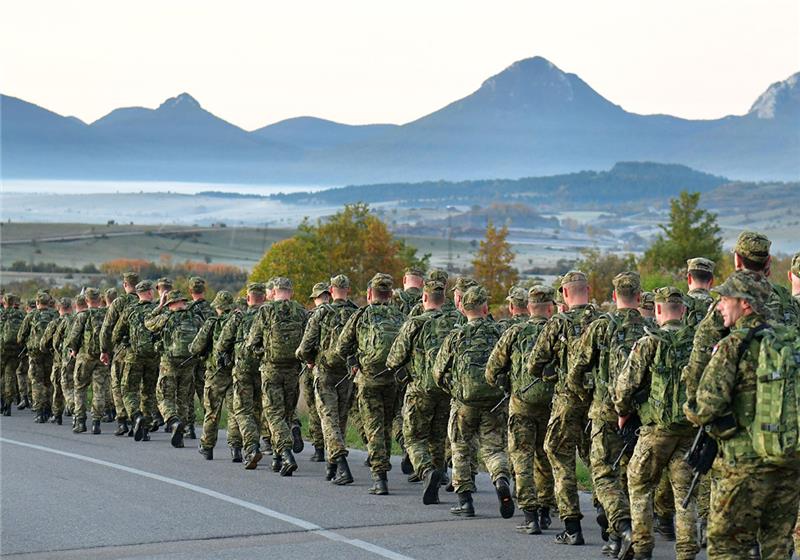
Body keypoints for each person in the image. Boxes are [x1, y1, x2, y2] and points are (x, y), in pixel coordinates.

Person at [684, 270, 799, 560]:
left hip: (744, 466)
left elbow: (704, 408)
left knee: (726, 545)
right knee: (778, 545)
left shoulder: (734, 345)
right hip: (788, 461)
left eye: (725, 298)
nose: (720, 305)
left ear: (745, 304)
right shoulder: (789, 343)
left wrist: (690, 404)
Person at [615, 287, 699, 560]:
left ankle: (642, 547)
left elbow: (625, 385)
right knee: (686, 494)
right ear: (683, 310)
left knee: (639, 484)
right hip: (689, 429)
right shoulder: (696, 342)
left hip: (655, 430)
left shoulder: (650, 342)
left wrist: (623, 412)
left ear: (658, 310)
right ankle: (686, 551)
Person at [569, 271, 646, 557]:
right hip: (639, 416)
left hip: (605, 412)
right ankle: (617, 538)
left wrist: (584, 396)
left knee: (603, 474)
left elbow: (577, 367)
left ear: (614, 297)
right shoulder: (650, 329)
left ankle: (623, 528)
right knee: (630, 476)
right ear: (639, 297)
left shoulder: (602, 326)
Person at [528, 270, 601, 545]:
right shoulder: (603, 321)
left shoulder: (558, 323)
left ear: (565, 294)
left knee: (559, 456)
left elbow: (534, 363)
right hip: (597, 401)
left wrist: (551, 373)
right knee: (597, 458)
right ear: (588, 289)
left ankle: (572, 525)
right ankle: (605, 509)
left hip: (567, 401)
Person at [433, 285, 513, 519]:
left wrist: (455, 389)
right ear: (486, 307)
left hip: (464, 403)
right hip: (494, 401)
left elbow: (438, 373)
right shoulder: (499, 333)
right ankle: (500, 480)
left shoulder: (456, 336)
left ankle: (465, 501)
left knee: (460, 448)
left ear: (463, 309)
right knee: (493, 449)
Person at [485, 285, 557, 534]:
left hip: (521, 405)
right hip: (552, 405)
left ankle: (530, 515)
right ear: (551, 307)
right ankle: (547, 511)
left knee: (522, 459)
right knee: (545, 457)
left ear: (528, 307)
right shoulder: (559, 331)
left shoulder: (515, 331)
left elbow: (492, 370)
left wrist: (505, 382)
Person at [387, 278, 458, 505]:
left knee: (414, 437)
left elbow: (394, 358)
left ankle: (427, 471)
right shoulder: (456, 321)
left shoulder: (415, 323)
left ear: (424, 298)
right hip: (447, 390)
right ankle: (437, 478)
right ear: (444, 299)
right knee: (438, 437)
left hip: (419, 389)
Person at [335, 273, 406, 495]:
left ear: (369, 294)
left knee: (373, 425)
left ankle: (380, 477)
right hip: (393, 379)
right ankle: (384, 462)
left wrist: (353, 362)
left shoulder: (361, 315)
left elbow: (341, 347)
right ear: (391, 294)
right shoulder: (400, 316)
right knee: (386, 423)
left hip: (369, 379)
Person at [297, 274, 360, 484]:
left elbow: (306, 346)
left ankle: (340, 464)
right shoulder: (356, 314)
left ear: (331, 291)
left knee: (328, 418)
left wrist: (308, 360)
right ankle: (331, 465)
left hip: (324, 372)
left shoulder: (322, 313)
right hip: (347, 373)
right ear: (347, 290)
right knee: (340, 418)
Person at [247, 277, 307, 476]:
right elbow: (308, 342)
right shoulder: (300, 311)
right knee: (287, 414)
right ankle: (277, 457)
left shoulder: (266, 311)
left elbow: (252, 342)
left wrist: (262, 354)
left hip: (271, 369)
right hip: (293, 370)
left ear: (275, 290)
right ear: (291, 291)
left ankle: (286, 453)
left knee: (273, 414)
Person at [145, 289, 203, 448]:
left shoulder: (165, 317)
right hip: (189, 363)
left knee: (164, 396)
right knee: (183, 398)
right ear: (183, 301)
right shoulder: (196, 319)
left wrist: (160, 304)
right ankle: (181, 431)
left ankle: (172, 420)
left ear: (170, 304)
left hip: (169, 362)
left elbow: (147, 322)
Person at [223, 282, 268, 468]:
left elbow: (222, 343)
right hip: (263, 368)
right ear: (264, 298)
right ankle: (256, 443)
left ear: (248, 298)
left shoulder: (238, 317)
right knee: (257, 409)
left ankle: (251, 447)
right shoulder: (268, 315)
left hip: (242, 369)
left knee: (242, 410)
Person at [192, 290, 241, 460]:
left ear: (218, 307)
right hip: (234, 372)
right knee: (234, 411)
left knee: (212, 411)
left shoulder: (212, 322)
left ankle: (207, 446)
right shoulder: (239, 320)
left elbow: (195, 347)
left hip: (215, 373)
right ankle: (235, 447)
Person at [115, 280, 160, 442]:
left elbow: (116, 333)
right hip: (153, 357)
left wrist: (122, 343)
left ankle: (136, 415)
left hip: (133, 356)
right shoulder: (157, 310)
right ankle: (146, 428)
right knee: (148, 392)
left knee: (128, 390)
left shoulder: (130, 311)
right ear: (148, 293)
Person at [100, 271, 141, 436]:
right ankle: (136, 419)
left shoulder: (118, 302)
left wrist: (104, 350)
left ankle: (122, 421)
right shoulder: (144, 302)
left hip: (121, 350)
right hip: (139, 350)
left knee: (117, 385)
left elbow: (106, 328)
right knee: (135, 386)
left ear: (125, 284)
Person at [66, 288, 110, 434]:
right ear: (99, 299)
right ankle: (96, 422)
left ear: (86, 300)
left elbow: (74, 336)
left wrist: (74, 350)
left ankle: (80, 421)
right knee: (99, 389)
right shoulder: (106, 314)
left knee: (80, 388)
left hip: (84, 357)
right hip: (102, 357)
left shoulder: (83, 315)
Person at [301, 281, 331, 462]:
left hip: (315, 367)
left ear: (315, 298)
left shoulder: (312, 316)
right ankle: (335, 447)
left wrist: (308, 361)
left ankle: (319, 448)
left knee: (314, 408)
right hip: (340, 369)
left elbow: (306, 342)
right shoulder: (345, 313)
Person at [186, 276, 213, 439]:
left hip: (190, 355)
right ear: (204, 290)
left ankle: (189, 426)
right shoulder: (212, 308)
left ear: (190, 291)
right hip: (206, 355)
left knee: (188, 391)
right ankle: (209, 425)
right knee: (205, 392)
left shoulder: (187, 309)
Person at [39, 297, 73, 425]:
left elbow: (43, 344)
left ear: (58, 308)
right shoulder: (77, 319)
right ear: (71, 307)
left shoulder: (55, 323)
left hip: (59, 360)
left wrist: (50, 351)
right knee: (74, 386)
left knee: (58, 387)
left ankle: (58, 414)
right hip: (76, 358)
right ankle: (71, 409)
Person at [1, 294, 25, 415]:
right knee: (10, 374)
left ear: (4, 302)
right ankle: (8, 403)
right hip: (16, 349)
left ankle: (1, 401)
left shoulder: (1, 314)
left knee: (1, 376)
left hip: (1, 348)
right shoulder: (21, 314)